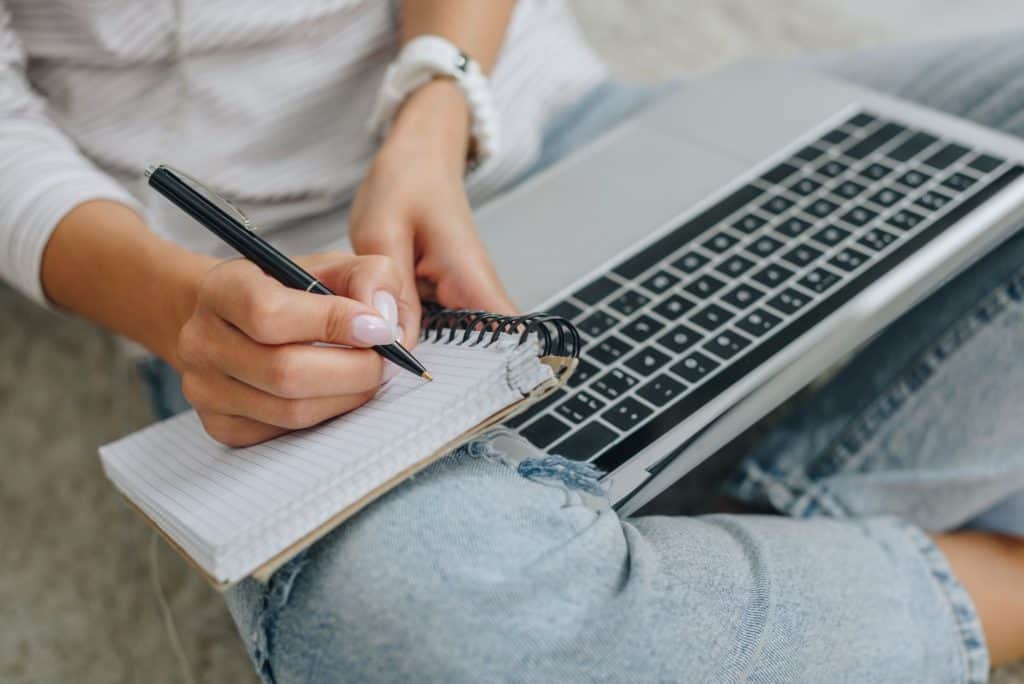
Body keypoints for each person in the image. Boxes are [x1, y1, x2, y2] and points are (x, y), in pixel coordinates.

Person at [2, 1, 1021, 681]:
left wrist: (436, 112)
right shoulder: (228, 308)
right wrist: (186, 308)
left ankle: (724, 563)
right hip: (261, 297)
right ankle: (986, 582)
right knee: (407, 624)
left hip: (559, 122)